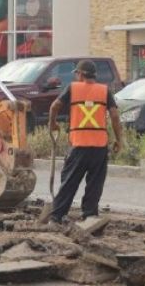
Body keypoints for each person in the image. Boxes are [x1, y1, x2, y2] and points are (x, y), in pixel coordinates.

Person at [47, 59, 125, 223]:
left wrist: (53, 123)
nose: (76, 76)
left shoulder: (73, 88)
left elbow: (54, 106)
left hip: (78, 145)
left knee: (69, 182)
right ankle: (90, 215)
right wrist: (119, 140)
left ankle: (56, 216)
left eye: (76, 73)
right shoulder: (104, 90)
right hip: (99, 147)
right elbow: (115, 116)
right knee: (95, 184)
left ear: (81, 74)